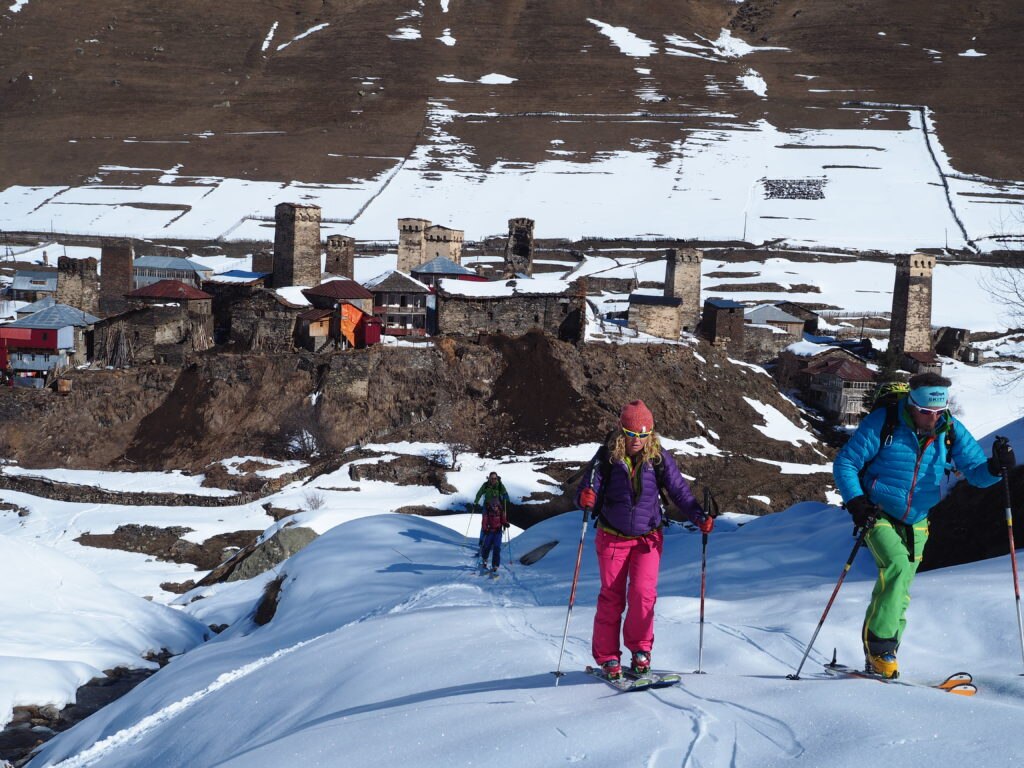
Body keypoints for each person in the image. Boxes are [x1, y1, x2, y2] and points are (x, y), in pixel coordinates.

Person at [833, 372, 1016, 679]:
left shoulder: (951, 431)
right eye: (926, 411)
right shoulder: (884, 422)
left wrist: (996, 467)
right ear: (911, 403)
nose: (932, 418)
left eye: (938, 412)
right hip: (877, 511)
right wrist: (856, 503)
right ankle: (881, 653)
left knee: (901, 589)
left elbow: (975, 473)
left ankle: (882, 656)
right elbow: (846, 463)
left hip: (918, 518)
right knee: (897, 568)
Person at [576, 400, 713, 681]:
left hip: (647, 540)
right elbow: (588, 487)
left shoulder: (659, 457)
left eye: (643, 434)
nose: (637, 440)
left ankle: (640, 651)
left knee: (642, 595)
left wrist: (699, 516)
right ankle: (608, 657)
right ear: (621, 429)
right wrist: (584, 498)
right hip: (612, 537)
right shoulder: (606, 458)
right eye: (631, 433)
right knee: (612, 598)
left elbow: (679, 492)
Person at [473, 471, 510, 566]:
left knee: (498, 524)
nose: (493, 480)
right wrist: (476, 502)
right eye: (492, 478)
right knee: (485, 526)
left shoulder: (500, 485)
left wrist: (506, 497)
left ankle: (494, 544)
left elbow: (505, 494)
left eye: (495, 478)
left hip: (496, 507)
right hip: (487, 507)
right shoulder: (485, 485)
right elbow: (479, 493)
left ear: (497, 478)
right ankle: (482, 545)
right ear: (489, 478)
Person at [478, 495, 509, 573]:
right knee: (486, 547)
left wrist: (505, 524)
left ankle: (495, 565)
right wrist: (485, 529)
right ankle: (484, 560)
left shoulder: (501, 512)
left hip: (498, 532)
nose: (495, 506)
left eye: (496, 505)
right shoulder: (488, 512)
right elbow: (484, 522)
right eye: (493, 505)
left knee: (497, 548)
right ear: (491, 505)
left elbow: (503, 520)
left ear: (498, 504)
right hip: (489, 532)